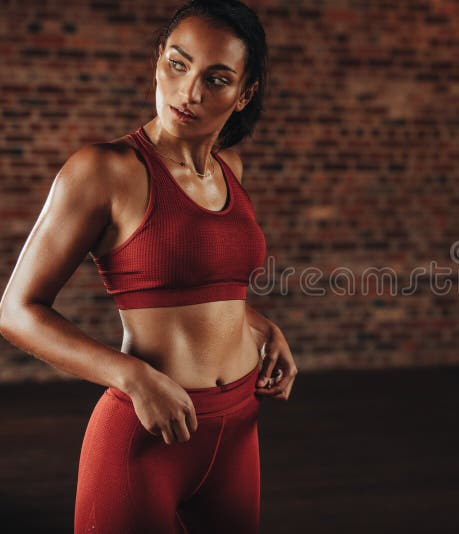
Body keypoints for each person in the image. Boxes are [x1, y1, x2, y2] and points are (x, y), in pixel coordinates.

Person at [0, 1, 298, 532]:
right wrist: (131, 376)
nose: (190, 93)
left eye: (217, 78)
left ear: (244, 93)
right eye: (178, 64)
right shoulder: (104, 171)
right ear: (158, 59)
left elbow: (202, 285)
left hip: (238, 428)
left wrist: (258, 325)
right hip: (145, 437)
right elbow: (16, 312)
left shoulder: (231, 167)